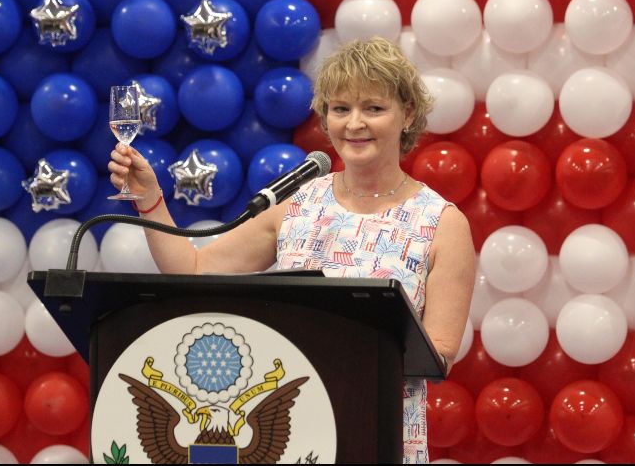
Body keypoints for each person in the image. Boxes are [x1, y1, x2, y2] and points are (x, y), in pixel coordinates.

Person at [109, 36, 475, 464]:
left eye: (373, 108)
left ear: (407, 114)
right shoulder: (297, 203)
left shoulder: (441, 222)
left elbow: (440, 353)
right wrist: (151, 199)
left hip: (378, 436)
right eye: (340, 109)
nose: (354, 123)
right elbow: (192, 266)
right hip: (292, 441)